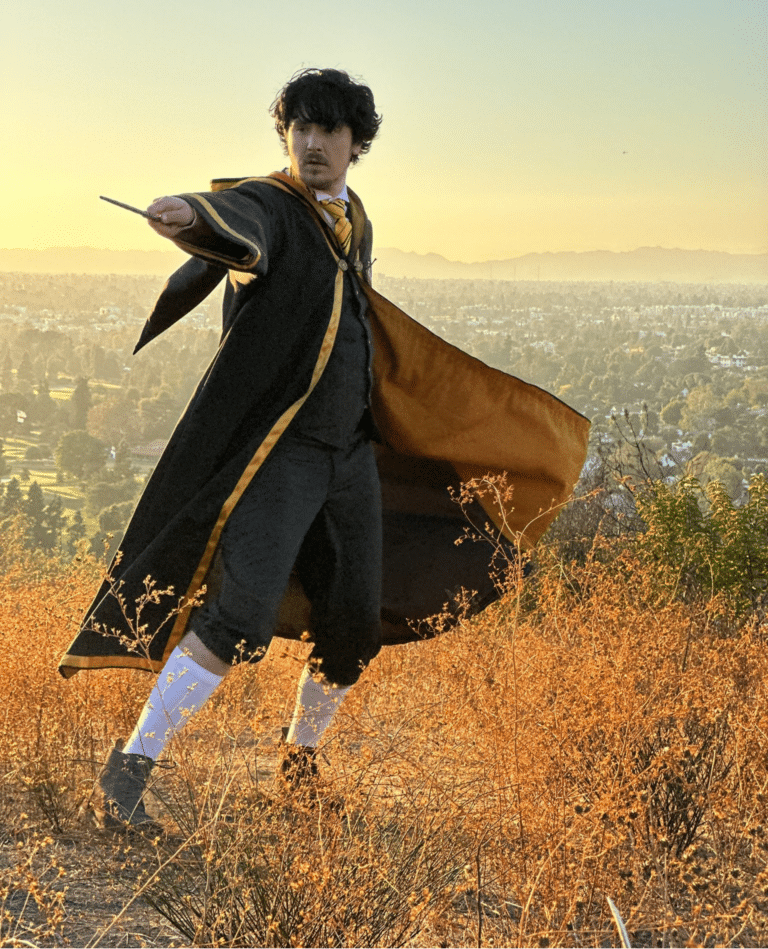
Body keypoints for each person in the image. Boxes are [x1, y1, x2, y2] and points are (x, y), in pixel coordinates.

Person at [60, 68, 591, 831]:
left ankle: (299, 768)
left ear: (355, 142)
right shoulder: (272, 206)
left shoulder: (356, 219)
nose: (312, 143)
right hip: (282, 455)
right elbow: (237, 227)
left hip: (351, 457)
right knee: (236, 620)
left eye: (328, 130)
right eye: (300, 128)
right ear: (285, 136)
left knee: (352, 624)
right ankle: (127, 773)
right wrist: (189, 214)